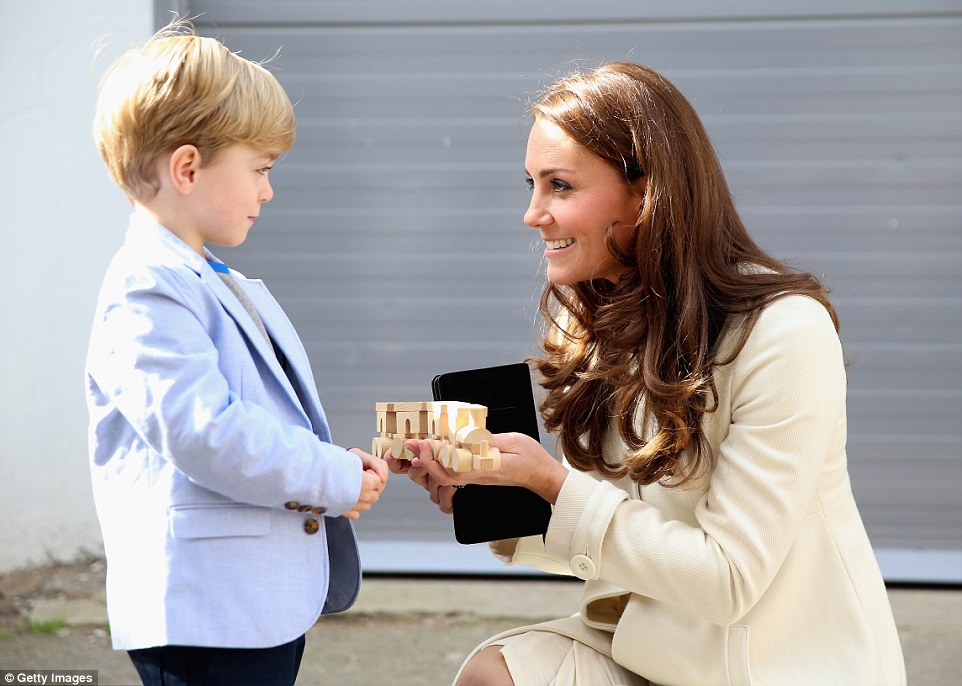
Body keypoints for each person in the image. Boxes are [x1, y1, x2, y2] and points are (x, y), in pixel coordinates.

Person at [389, 62, 905, 686]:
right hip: (650, 643)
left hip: (769, 662)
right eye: (531, 184)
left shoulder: (785, 332)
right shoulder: (596, 324)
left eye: (560, 186)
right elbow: (618, 537)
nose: (533, 213)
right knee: (492, 676)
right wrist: (500, 502)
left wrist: (553, 485)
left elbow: (727, 580)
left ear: (644, 192)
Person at [86, 21, 388, 686]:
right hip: (206, 616)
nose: (268, 191)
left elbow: (257, 416)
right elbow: (205, 431)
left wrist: (335, 465)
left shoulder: (205, 276)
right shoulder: (148, 284)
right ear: (188, 167)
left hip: (249, 607)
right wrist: (327, 476)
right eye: (259, 169)